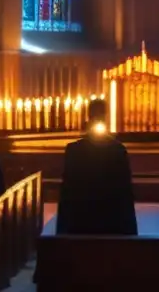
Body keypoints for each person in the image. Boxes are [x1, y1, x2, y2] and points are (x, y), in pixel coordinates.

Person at [57, 98, 137, 235]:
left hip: (82, 222)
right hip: (109, 223)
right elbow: (125, 195)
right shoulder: (117, 150)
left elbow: (67, 194)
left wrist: (63, 231)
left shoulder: (75, 150)